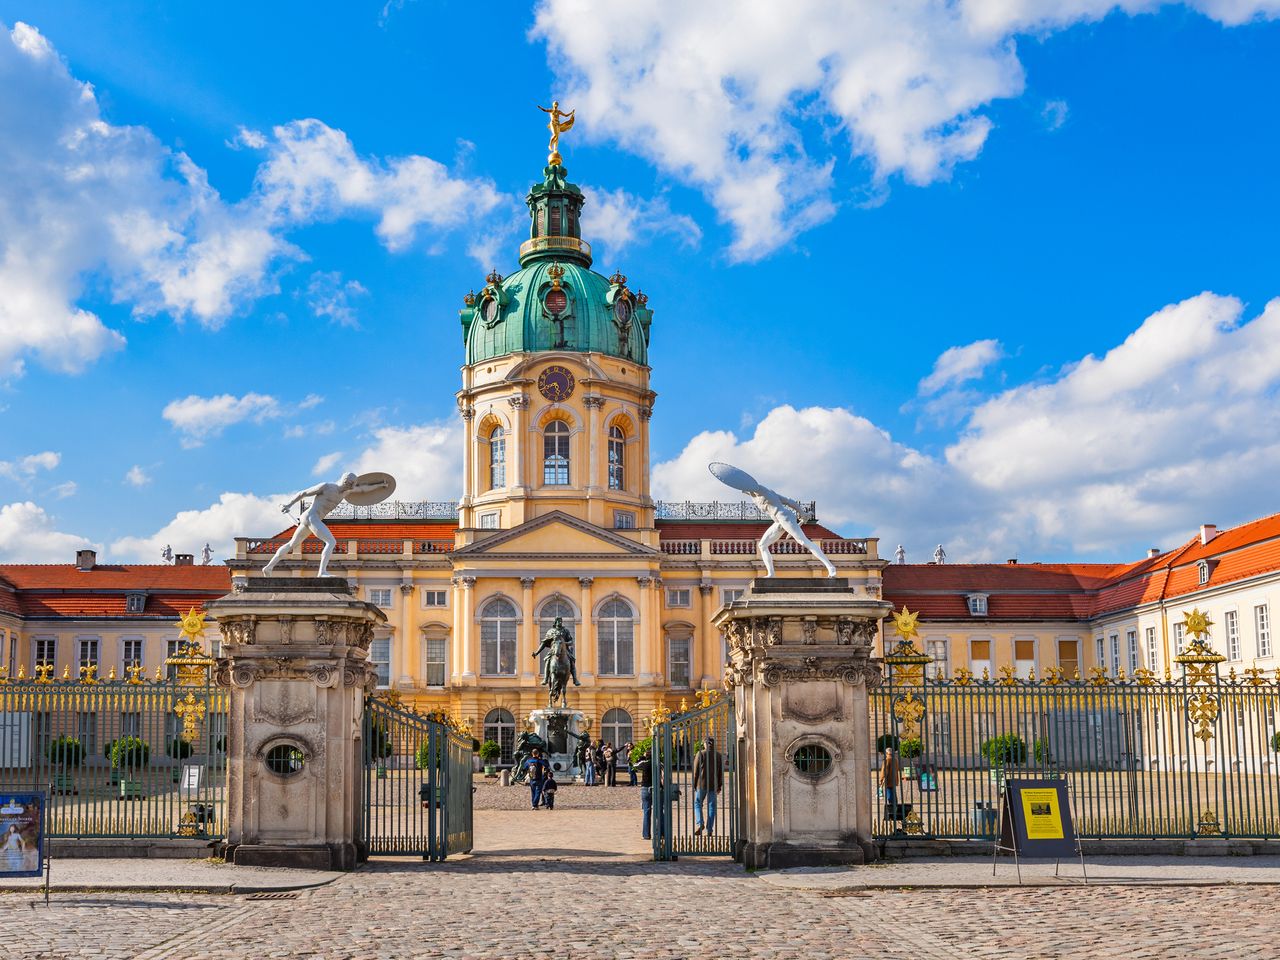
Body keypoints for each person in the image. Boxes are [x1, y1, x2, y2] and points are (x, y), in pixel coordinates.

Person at [691, 734, 723, 836]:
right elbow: (720, 772)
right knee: (711, 807)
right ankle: (709, 829)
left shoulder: (700, 754)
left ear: (705, 744)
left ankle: (700, 823)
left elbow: (696, 771)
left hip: (701, 784)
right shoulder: (718, 755)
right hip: (713, 785)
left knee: (697, 803)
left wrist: (694, 784)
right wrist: (719, 786)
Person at [879, 745, 902, 819]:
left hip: (888, 780)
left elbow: (884, 772)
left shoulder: (887, 760)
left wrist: (881, 780)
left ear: (887, 753)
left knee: (889, 796)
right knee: (894, 794)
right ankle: (895, 808)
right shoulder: (895, 760)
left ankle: (891, 811)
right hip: (894, 780)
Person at [637, 745, 654, 840]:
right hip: (655, 787)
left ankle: (646, 834)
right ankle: (661, 833)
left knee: (647, 812)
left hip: (645, 788)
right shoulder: (657, 763)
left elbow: (635, 764)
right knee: (659, 812)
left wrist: (642, 757)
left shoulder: (644, 763)